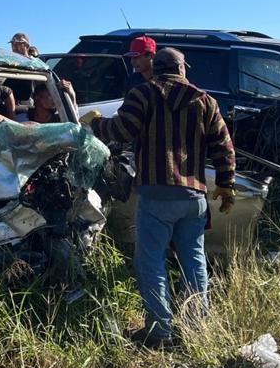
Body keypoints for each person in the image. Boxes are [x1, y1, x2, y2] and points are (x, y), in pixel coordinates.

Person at [87, 47, 236, 347]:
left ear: (157, 68)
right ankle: (196, 328)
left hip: (156, 195)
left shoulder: (144, 94)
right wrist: (226, 183)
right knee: (194, 261)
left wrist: (96, 123)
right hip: (194, 197)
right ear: (183, 69)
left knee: (151, 261)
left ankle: (159, 331)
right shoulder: (206, 101)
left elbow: (122, 130)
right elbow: (224, 146)